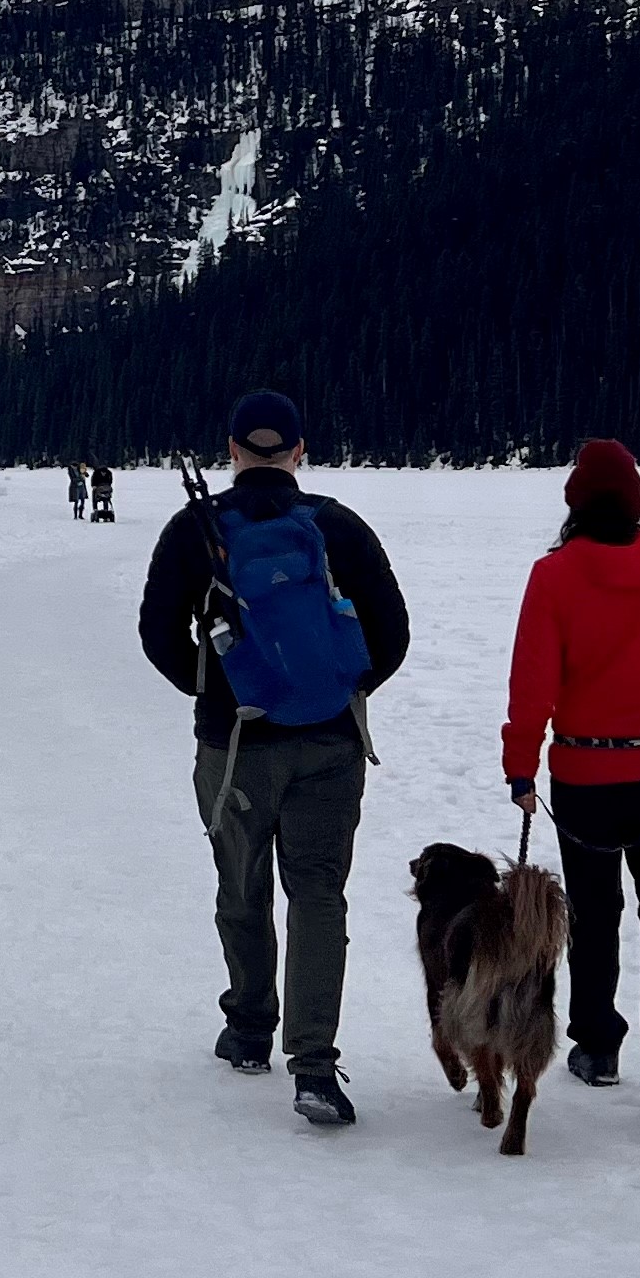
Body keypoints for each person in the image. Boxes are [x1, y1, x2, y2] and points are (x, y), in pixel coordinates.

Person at [136, 390, 411, 1126]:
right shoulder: (338, 527)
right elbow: (393, 633)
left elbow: (158, 632)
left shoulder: (197, 529)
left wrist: (220, 688)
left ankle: (251, 1028)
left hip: (234, 746)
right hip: (330, 745)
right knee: (318, 895)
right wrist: (336, 692)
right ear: (299, 452)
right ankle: (315, 1067)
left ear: (231, 453)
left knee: (242, 885)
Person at [500, 438, 640, 1128]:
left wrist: (520, 766)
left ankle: (597, 1044)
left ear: (574, 507)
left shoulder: (553, 576)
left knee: (594, 916)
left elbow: (533, 684)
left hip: (586, 772)